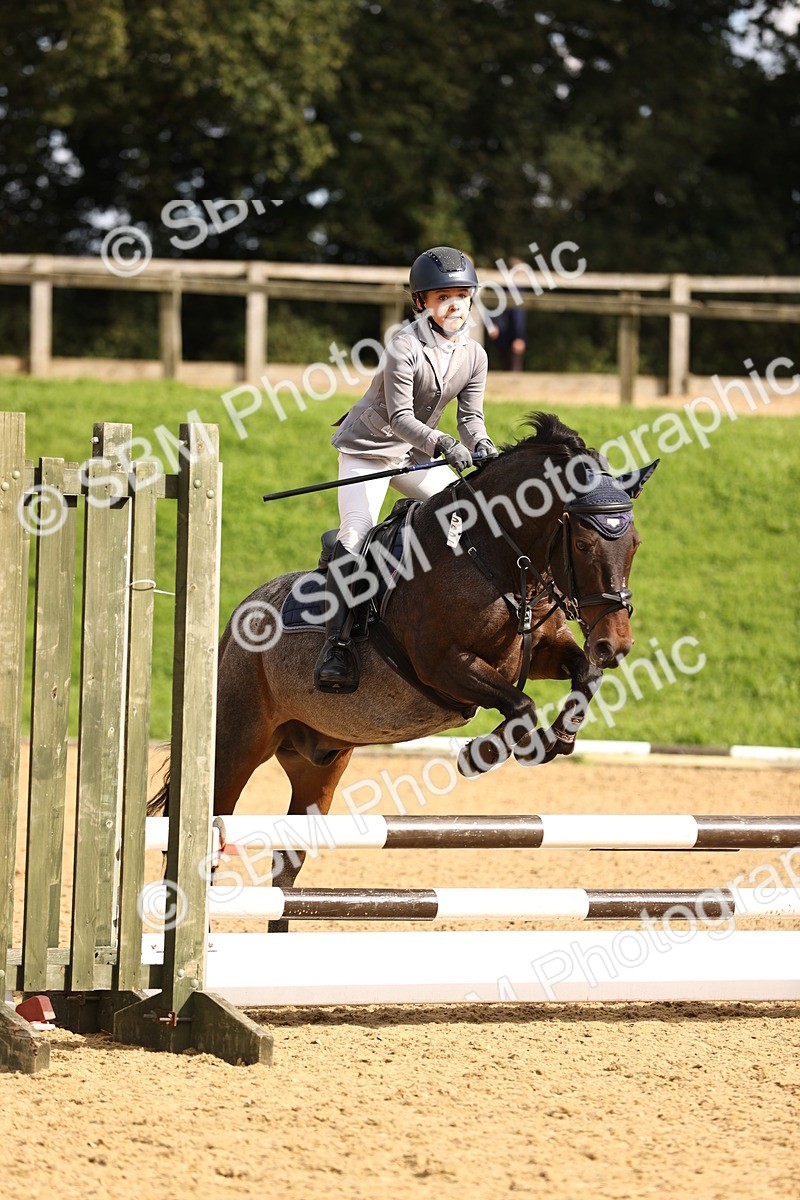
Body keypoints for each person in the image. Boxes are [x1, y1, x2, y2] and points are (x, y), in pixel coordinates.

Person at [313, 245, 498, 694]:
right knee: (356, 531)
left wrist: (483, 445)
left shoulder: (474, 354)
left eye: (461, 295)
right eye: (442, 297)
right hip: (368, 450)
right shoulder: (404, 346)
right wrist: (445, 444)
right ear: (421, 303)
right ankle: (336, 645)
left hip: (414, 456)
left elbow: (470, 418)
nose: (454, 305)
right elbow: (399, 419)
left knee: (466, 512)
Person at [487, 256, 527, 371]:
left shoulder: (512, 288)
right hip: (508, 335)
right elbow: (517, 316)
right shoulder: (513, 288)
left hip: (507, 335)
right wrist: (519, 337)